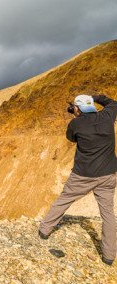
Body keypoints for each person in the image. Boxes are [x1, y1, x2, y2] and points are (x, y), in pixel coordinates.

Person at [39, 94, 117, 266]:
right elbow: (112, 103)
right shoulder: (108, 115)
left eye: (74, 107)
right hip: (108, 174)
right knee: (108, 214)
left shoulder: (75, 124)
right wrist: (94, 97)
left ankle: (44, 230)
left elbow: (71, 138)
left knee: (64, 199)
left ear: (77, 109)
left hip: (83, 175)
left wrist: (77, 116)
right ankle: (109, 255)